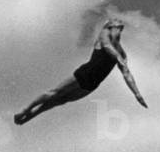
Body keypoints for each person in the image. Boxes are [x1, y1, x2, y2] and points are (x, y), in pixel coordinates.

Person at [14, 19, 147, 125]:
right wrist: (118, 57)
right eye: (115, 26)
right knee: (55, 93)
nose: (118, 29)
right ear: (110, 27)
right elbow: (106, 46)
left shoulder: (122, 53)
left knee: (61, 100)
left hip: (91, 85)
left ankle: (30, 116)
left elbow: (127, 73)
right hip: (83, 74)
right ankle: (26, 109)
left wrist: (137, 94)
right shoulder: (104, 35)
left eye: (120, 27)